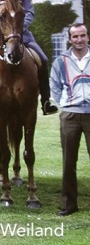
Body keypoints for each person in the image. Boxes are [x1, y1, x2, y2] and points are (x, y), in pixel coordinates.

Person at [50, 23, 90, 216]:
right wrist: (65, 105)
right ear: (69, 39)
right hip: (70, 116)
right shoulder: (61, 61)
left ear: (88, 37)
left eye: (82, 36)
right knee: (68, 161)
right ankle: (69, 204)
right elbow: (55, 86)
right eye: (75, 37)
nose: (79, 40)